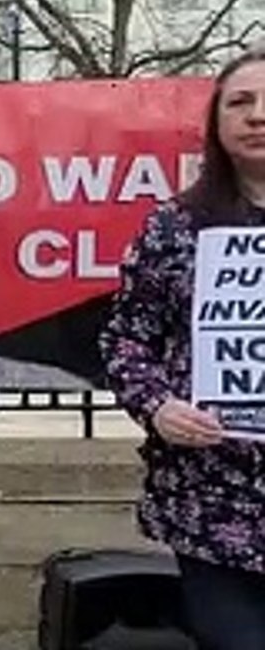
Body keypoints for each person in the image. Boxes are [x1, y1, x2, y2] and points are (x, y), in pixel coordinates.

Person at [98, 49, 265, 649]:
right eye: (240, 102)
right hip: (212, 501)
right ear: (216, 123)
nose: (258, 115)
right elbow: (126, 339)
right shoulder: (174, 227)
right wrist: (158, 406)